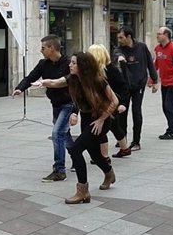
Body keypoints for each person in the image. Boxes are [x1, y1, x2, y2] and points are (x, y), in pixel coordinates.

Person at [39, 52, 119, 204]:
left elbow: (114, 101)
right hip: (87, 119)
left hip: (102, 119)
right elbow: (56, 83)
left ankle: (83, 191)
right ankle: (109, 173)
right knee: (94, 154)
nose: (70, 65)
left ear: (82, 66)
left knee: (76, 150)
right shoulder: (73, 79)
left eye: (73, 63)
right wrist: (42, 83)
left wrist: (102, 119)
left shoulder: (98, 80)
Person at [12, 35, 73, 182]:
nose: (41, 51)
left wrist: (48, 83)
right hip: (56, 104)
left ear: (52, 48)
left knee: (57, 133)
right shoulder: (43, 64)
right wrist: (20, 89)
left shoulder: (69, 63)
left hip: (69, 103)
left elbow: (68, 81)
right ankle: (77, 155)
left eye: (43, 48)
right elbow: (30, 78)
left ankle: (59, 170)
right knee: (64, 135)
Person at [113, 26, 158, 151]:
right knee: (122, 112)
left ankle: (136, 141)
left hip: (139, 84)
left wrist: (154, 80)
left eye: (121, 37)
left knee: (136, 111)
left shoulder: (142, 47)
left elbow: (150, 63)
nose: (119, 40)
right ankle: (123, 139)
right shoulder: (119, 49)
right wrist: (120, 58)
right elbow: (116, 54)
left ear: (129, 37)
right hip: (125, 86)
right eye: (118, 38)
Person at [87, 43, 131, 160]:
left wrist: (122, 104)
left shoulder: (111, 70)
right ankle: (124, 149)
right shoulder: (94, 71)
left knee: (102, 130)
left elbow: (123, 87)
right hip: (102, 104)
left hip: (110, 104)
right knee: (115, 127)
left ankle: (104, 157)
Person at [153, 27, 173, 139]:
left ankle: (172, 131)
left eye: (159, 34)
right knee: (165, 107)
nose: (157, 36)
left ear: (166, 35)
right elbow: (155, 65)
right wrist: (152, 80)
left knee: (170, 107)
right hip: (165, 82)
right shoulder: (157, 48)